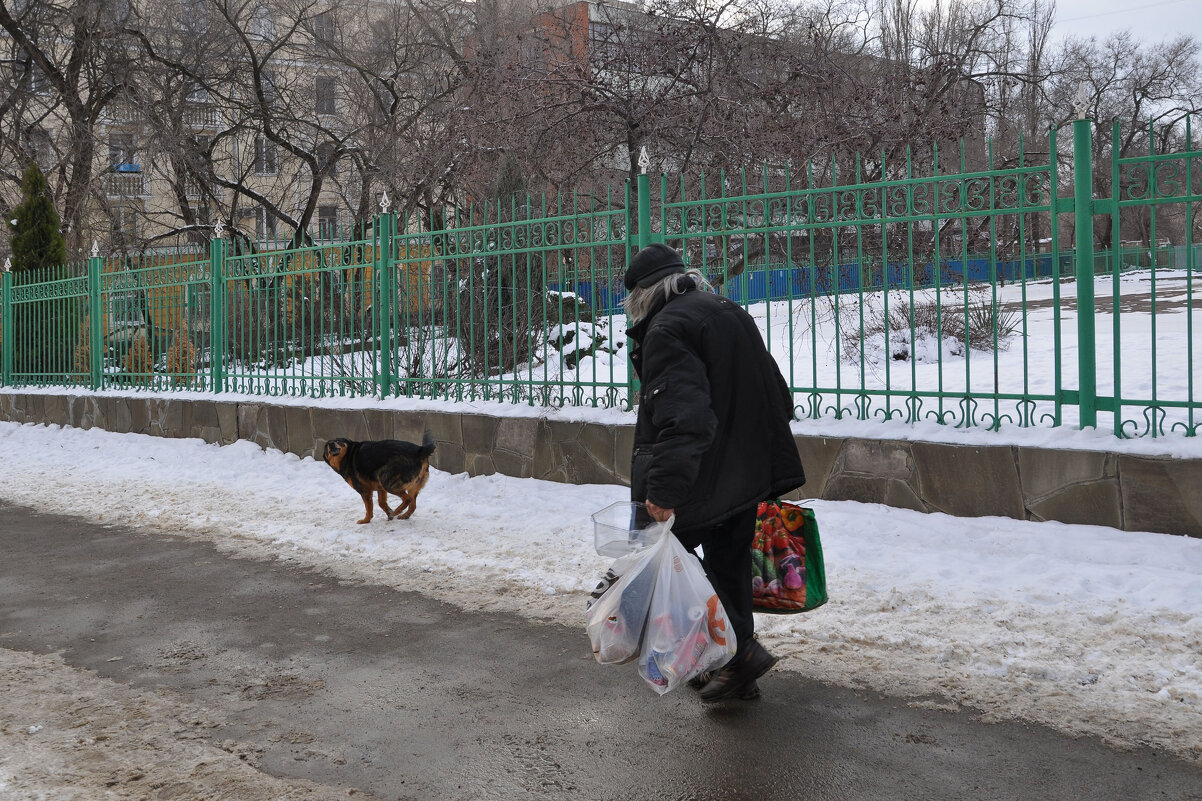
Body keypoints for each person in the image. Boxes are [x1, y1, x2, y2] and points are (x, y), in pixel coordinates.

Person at [623, 242, 806, 702]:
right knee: (726, 567)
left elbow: (685, 420)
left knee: (674, 569)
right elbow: (777, 393)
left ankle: (734, 657)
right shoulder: (725, 309)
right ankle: (731, 666)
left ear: (642, 295)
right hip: (746, 469)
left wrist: (663, 491)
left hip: (703, 476)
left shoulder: (666, 329)